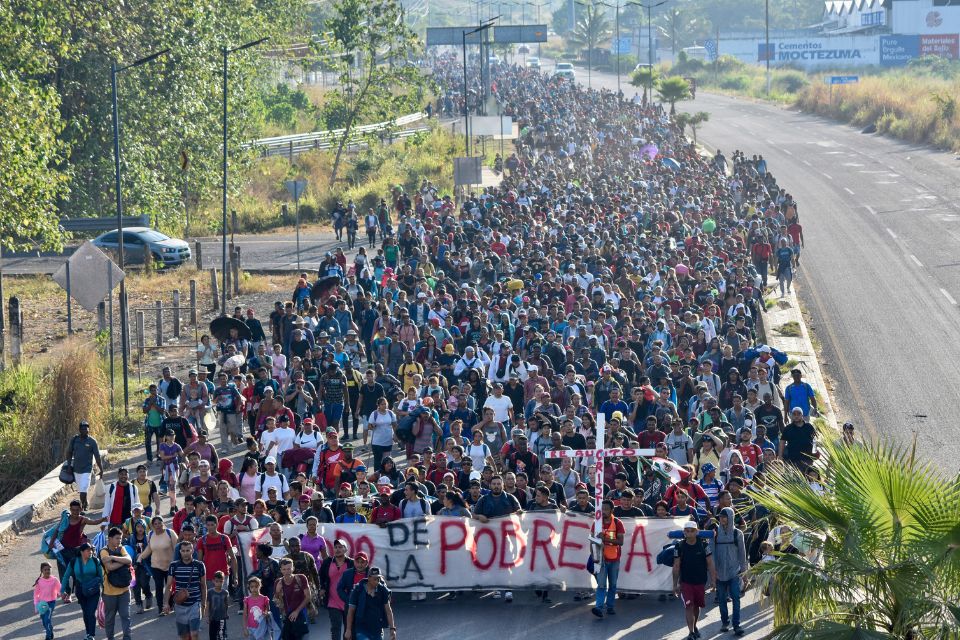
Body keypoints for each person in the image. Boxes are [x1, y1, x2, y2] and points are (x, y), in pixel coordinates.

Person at [673, 520, 717, 640]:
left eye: (692, 531)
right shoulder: (679, 546)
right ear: (684, 532)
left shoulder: (704, 545)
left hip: (700, 582)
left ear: (697, 532)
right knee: (689, 606)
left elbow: (710, 563)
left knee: (697, 606)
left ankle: (695, 626)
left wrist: (713, 580)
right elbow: (676, 566)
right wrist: (675, 584)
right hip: (685, 582)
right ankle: (691, 632)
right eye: (687, 531)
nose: (689, 533)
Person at [713, 507, 748, 635]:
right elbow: (711, 554)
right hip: (719, 573)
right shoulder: (715, 532)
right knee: (722, 599)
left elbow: (742, 554)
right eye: (720, 516)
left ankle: (737, 625)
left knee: (736, 598)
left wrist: (744, 574)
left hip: (734, 572)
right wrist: (713, 573)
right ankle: (724, 622)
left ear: (731, 517)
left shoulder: (737, 533)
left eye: (724, 516)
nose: (722, 518)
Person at [165, 537, 207, 640]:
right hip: (180, 606)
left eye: (188, 550)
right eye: (183, 551)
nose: (185, 553)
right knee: (184, 636)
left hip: (195, 604)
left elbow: (203, 585)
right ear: (180, 551)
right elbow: (169, 585)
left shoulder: (199, 565)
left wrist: (203, 603)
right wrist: (165, 603)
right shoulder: (173, 565)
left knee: (194, 634)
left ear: (192, 550)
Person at [591, 499, 625, 618]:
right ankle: (599, 607)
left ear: (612, 510)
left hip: (614, 559)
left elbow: (621, 542)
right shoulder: (596, 523)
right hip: (601, 559)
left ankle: (610, 606)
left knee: (613, 584)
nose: (603, 511)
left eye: (606, 509)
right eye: (602, 509)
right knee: (601, 584)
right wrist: (594, 556)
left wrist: (604, 539)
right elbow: (592, 541)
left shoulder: (618, 523)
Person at [62, 542, 102, 640]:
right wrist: (62, 590)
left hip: (94, 590)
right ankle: (88, 632)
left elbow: (101, 576)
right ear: (81, 552)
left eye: (91, 550)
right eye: (88, 550)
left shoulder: (95, 561)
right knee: (85, 612)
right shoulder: (74, 562)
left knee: (91, 612)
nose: (91, 552)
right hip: (80, 590)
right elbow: (66, 576)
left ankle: (91, 635)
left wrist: (105, 590)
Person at [100, 526, 134, 640]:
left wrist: (113, 557)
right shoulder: (104, 551)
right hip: (109, 593)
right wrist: (123, 562)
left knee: (126, 616)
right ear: (109, 538)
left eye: (120, 538)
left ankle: (127, 638)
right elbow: (109, 567)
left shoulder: (121, 548)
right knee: (110, 619)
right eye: (117, 538)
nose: (119, 541)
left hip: (124, 590)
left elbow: (129, 560)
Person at [344, 566, 396, 640]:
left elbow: (388, 610)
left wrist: (392, 629)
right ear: (369, 578)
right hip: (362, 628)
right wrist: (348, 629)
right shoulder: (358, 590)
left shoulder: (382, 590)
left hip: (377, 629)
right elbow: (351, 611)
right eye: (375, 579)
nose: (377, 581)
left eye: (378, 579)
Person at [65, 420, 104, 511]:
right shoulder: (74, 440)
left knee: (83, 489)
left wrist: (101, 469)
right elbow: (69, 452)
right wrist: (69, 465)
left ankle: (82, 507)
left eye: (86, 428)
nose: (84, 430)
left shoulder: (92, 441)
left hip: (87, 469)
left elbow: (97, 456)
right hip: (76, 470)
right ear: (79, 430)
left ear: (89, 429)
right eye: (82, 429)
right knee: (81, 489)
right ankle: (85, 502)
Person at [274, 557, 312, 640]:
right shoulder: (278, 582)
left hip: (302, 612)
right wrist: (277, 591)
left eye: (289, 569)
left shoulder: (301, 578)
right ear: (281, 570)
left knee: (302, 636)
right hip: (287, 615)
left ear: (293, 568)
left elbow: (308, 596)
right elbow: (276, 601)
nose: (287, 572)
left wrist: (297, 611)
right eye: (284, 569)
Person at [33, 561, 60, 640]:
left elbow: (59, 589)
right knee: (44, 621)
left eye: (49, 569)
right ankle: (50, 631)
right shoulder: (39, 581)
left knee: (47, 619)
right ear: (42, 571)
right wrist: (36, 605)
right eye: (45, 570)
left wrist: (63, 593)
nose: (47, 571)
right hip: (42, 604)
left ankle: (48, 636)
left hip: (51, 602)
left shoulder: (54, 580)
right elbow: (36, 594)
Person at [207, 570, 231, 640]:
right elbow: (208, 604)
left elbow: (226, 604)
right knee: (212, 635)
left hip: (222, 617)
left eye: (221, 581)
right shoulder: (210, 592)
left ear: (223, 581)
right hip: (212, 617)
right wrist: (207, 616)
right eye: (217, 581)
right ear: (213, 581)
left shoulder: (225, 593)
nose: (219, 583)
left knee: (222, 634)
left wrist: (226, 613)